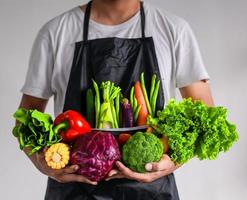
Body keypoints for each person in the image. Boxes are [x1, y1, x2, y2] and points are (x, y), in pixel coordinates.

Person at [17, 0, 214, 199]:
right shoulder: (56, 31)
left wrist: (173, 162)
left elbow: (204, 113)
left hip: (152, 192)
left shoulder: (174, 29)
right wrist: (42, 162)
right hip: (75, 191)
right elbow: (26, 117)